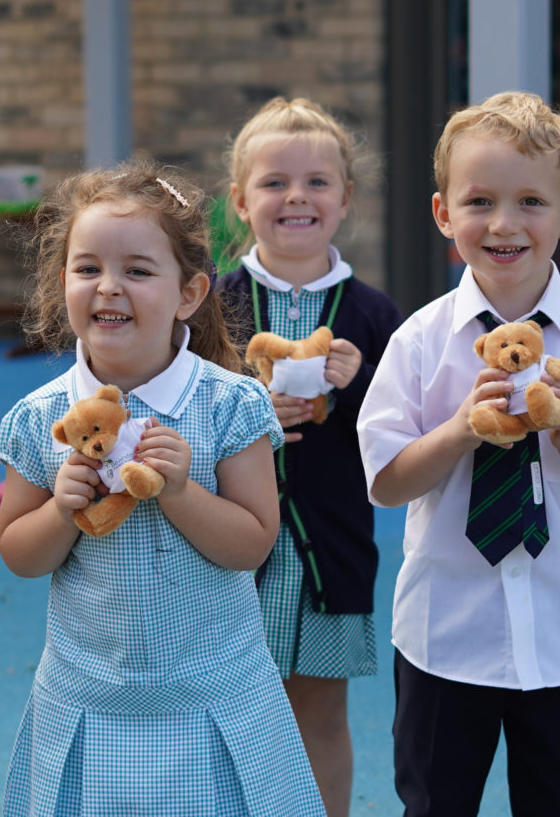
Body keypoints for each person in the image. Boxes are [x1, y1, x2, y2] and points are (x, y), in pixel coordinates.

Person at [358, 91, 560, 816]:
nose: (503, 223)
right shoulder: (420, 342)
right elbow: (386, 481)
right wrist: (461, 427)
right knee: (436, 803)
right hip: (443, 637)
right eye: (480, 201)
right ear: (443, 214)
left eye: (531, 201)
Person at [0, 159, 325, 817]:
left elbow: (253, 543)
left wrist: (180, 491)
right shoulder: (42, 418)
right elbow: (18, 552)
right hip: (91, 702)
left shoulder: (229, 405)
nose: (109, 287)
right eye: (87, 268)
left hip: (214, 700)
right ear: (62, 282)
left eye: (138, 271)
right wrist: (62, 509)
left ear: (190, 292)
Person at [214, 96, 402, 816]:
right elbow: (183, 409)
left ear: (346, 198)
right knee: (235, 708)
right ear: (239, 201)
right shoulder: (212, 306)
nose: (297, 196)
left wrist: (359, 391)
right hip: (231, 553)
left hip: (334, 547)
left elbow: (399, 437)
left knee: (321, 711)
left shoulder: (376, 316)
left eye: (318, 181)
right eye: (273, 182)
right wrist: (245, 405)